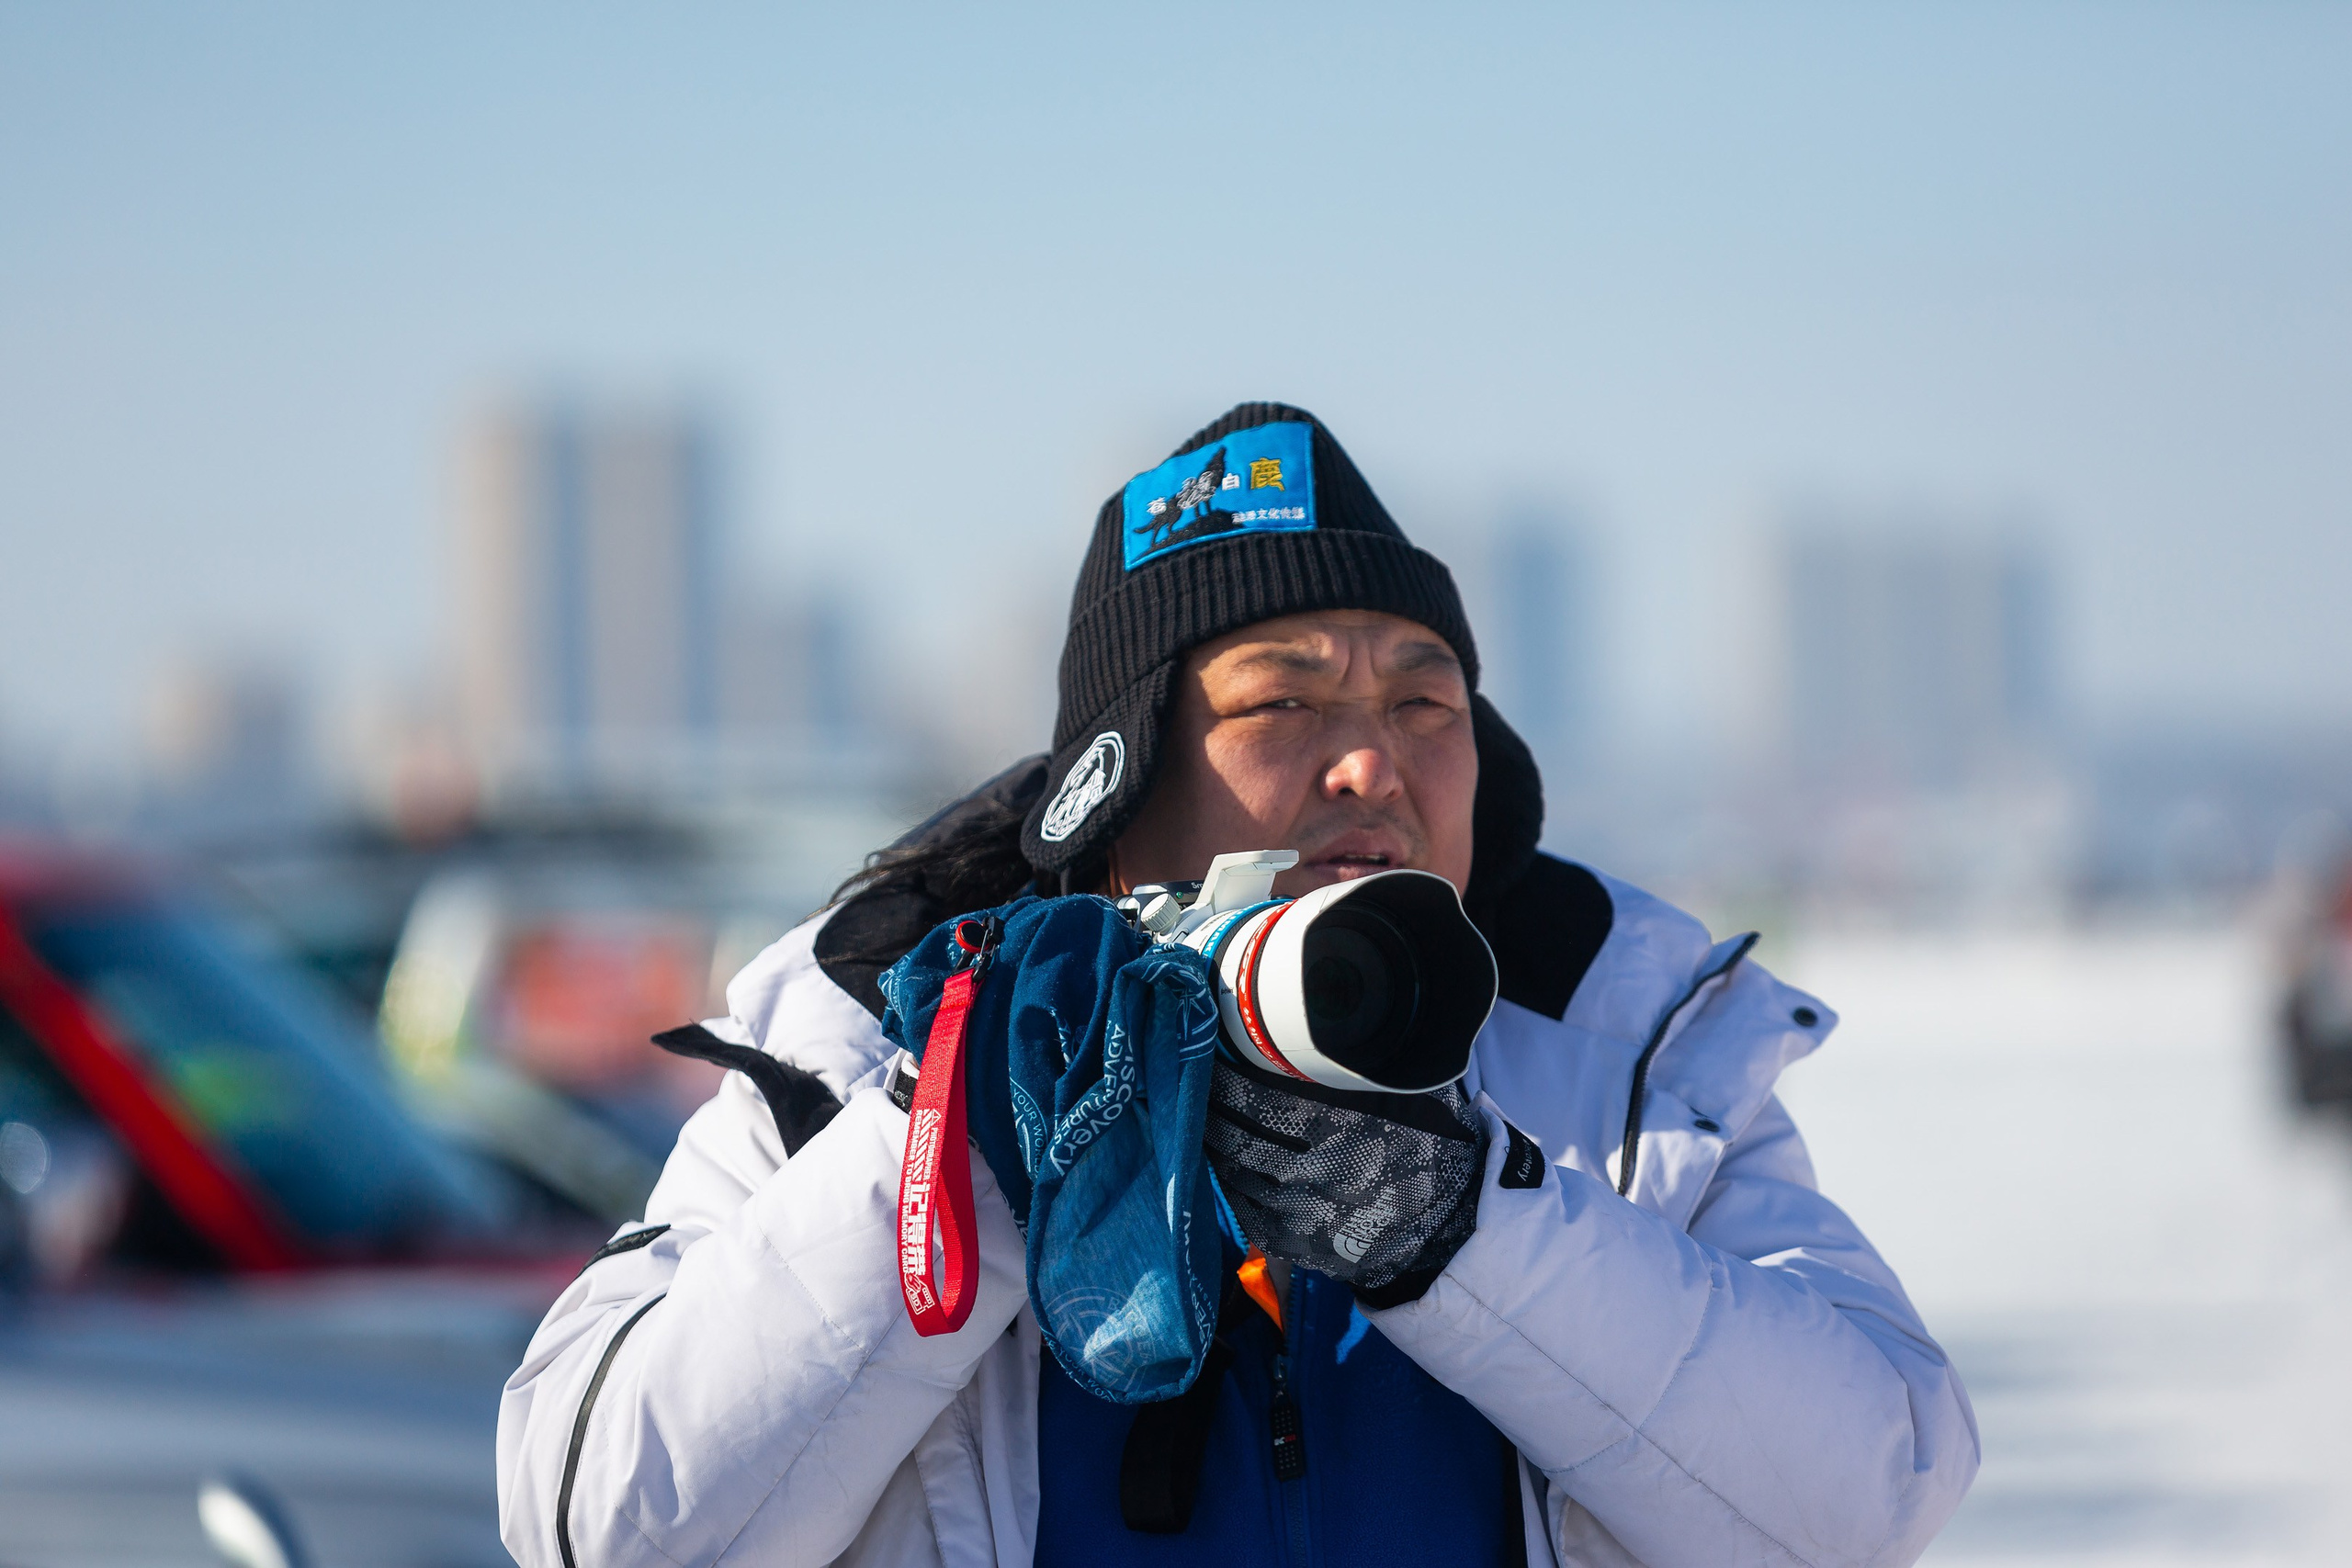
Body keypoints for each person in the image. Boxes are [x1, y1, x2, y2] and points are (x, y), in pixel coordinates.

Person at [497, 403, 1979, 1567]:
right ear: (1115, 797)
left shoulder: (1625, 1075)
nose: (1374, 763)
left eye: (1425, 701)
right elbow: (600, 1523)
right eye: (1284, 702)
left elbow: (1871, 1498)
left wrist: (1472, 1234)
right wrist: (965, 1153)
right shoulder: (852, 1069)